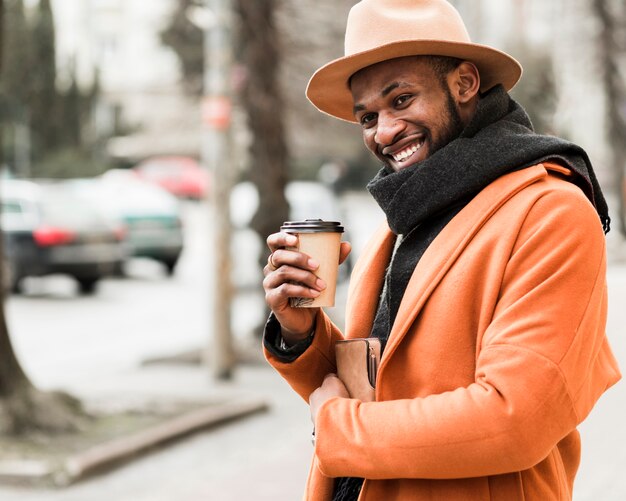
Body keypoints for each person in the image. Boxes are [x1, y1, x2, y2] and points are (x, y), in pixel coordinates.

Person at [262, 1, 621, 499]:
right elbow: (370, 389)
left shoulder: (550, 211)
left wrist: (337, 427)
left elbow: (513, 419)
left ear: (465, 84)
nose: (384, 132)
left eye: (402, 100)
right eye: (367, 117)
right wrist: (299, 332)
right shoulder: (402, 220)